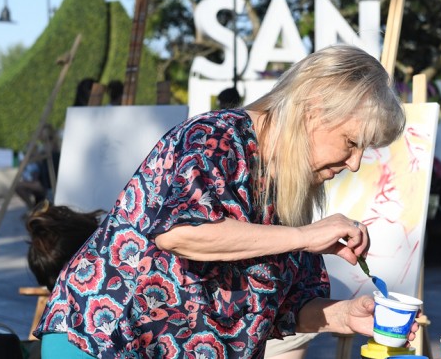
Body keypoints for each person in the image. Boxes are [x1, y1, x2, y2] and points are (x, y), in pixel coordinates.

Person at [33, 45, 414, 358]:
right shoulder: (216, 138)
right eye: (351, 142)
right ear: (312, 110)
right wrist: (304, 236)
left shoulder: (290, 186)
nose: (354, 163)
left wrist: (345, 316)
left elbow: (289, 308)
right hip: (103, 342)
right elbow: (183, 233)